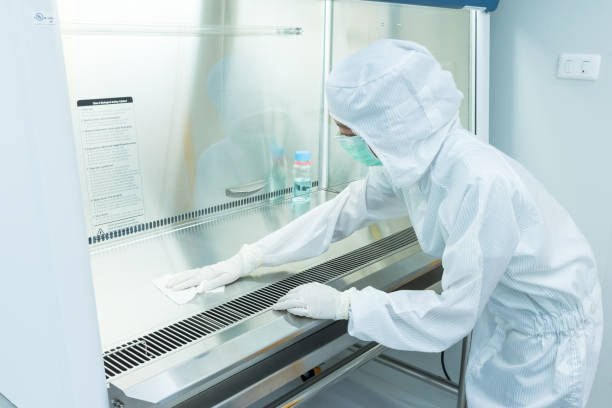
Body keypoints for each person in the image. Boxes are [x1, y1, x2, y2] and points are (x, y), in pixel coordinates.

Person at [167, 40, 603, 407]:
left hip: (546, 338)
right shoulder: (416, 161)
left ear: (387, 127)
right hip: (507, 317)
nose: (341, 139)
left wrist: (347, 306)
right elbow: (343, 211)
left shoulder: (476, 181)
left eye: (346, 130)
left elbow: (450, 316)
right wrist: (251, 257)